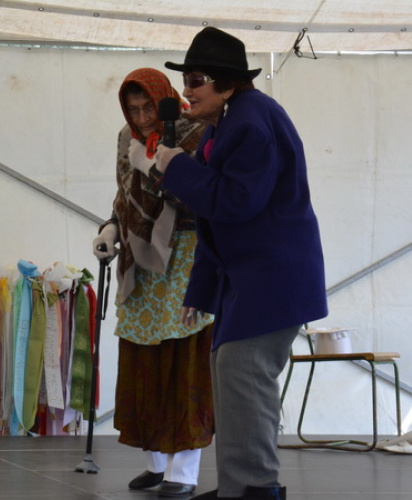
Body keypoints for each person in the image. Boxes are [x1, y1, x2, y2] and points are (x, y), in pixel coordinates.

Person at [139, 28, 329, 500]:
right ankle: (241, 486)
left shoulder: (251, 120)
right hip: (253, 277)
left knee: (244, 372)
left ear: (226, 83)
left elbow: (237, 201)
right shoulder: (229, 122)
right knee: (231, 370)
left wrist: (175, 167)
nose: (187, 90)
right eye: (185, 80)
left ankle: (254, 489)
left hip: (272, 276)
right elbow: (217, 216)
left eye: (196, 79)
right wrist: (201, 289)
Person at [92, 68, 215, 498]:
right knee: (143, 360)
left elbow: (196, 197)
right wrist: (111, 228)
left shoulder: (196, 132)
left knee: (184, 361)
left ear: (164, 100)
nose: (142, 117)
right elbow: (124, 194)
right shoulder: (126, 139)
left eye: (148, 107)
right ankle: (156, 463)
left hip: (185, 253)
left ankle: (184, 470)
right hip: (140, 259)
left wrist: (155, 166)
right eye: (133, 109)